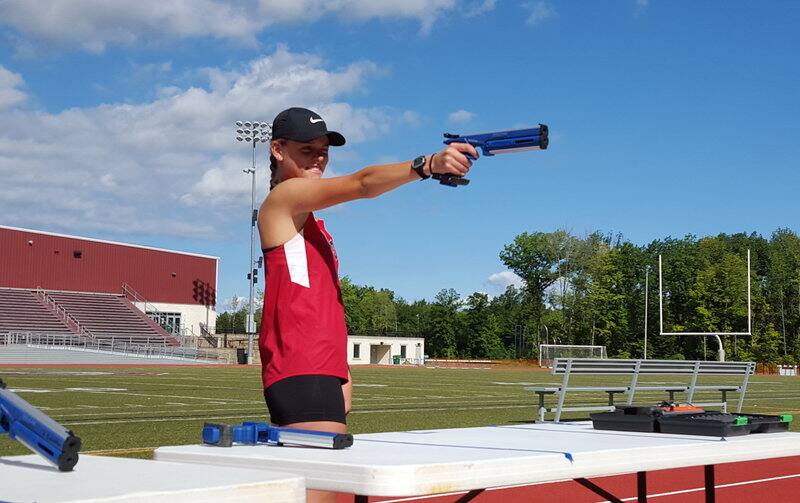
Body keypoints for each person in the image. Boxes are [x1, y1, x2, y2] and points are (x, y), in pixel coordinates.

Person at [256, 107, 477, 501]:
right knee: (319, 496)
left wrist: (341, 370)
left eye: (324, 151)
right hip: (301, 366)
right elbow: (361, 184)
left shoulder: (309, 221)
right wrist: (426, 165)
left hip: (318, 366)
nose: (319, 158)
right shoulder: (283, 198)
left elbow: (319, 303)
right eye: (307, 150)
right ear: (278, 149)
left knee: (313, 492)